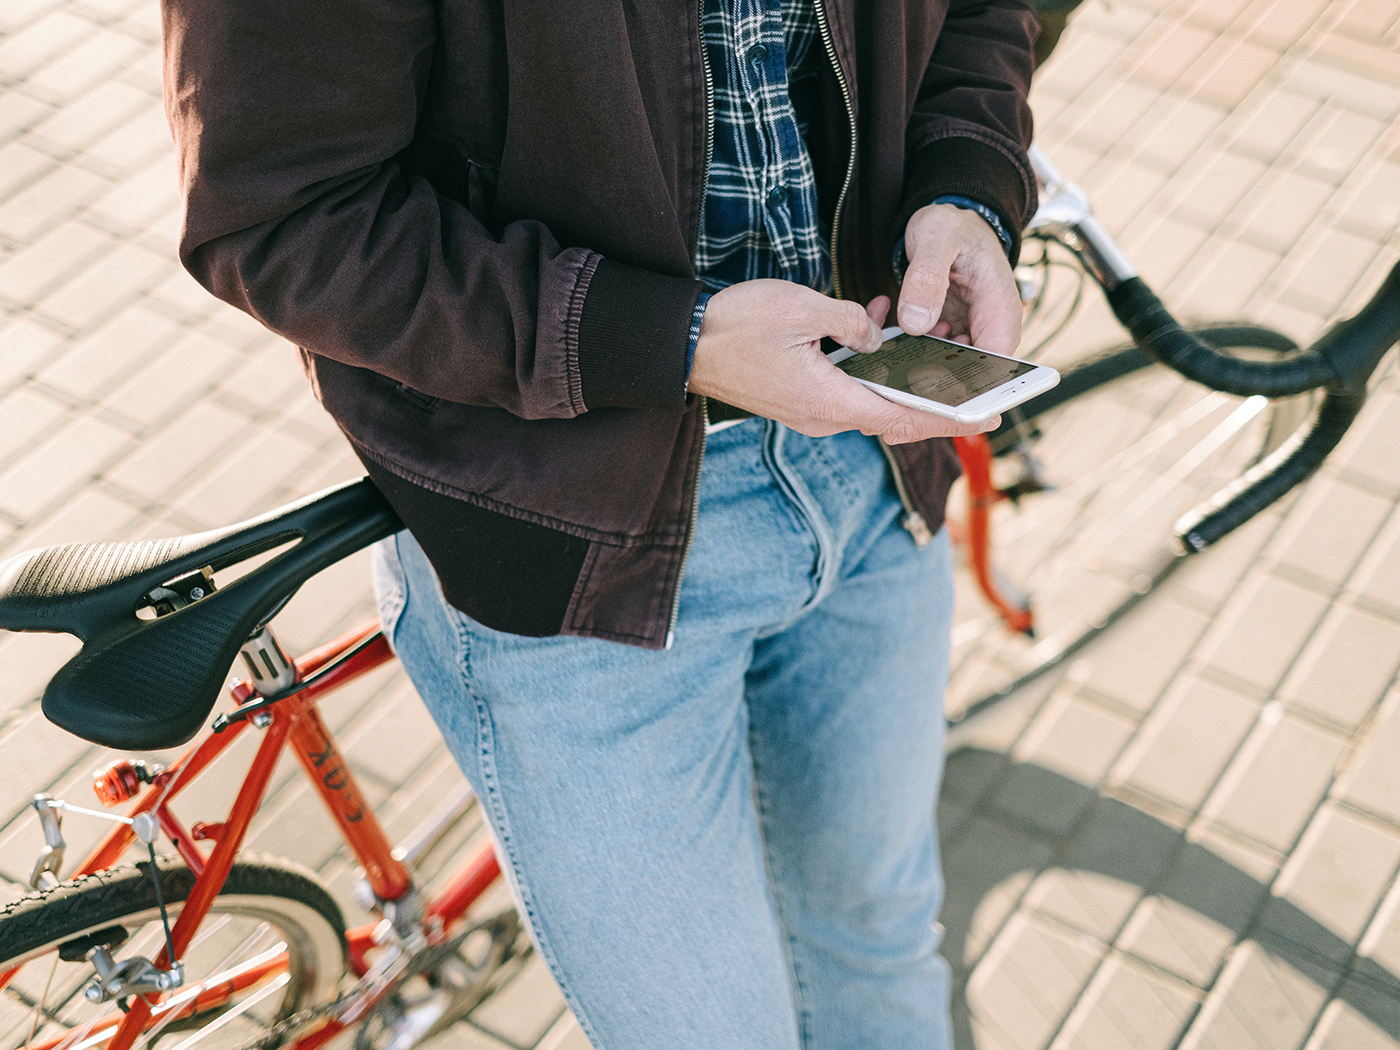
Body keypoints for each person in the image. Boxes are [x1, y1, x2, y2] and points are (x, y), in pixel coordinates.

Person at [163, 0, 1037, 1045]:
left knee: (880, 940)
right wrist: (660, 340)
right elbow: (278, 218)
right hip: (573, 542)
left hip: (872, 469)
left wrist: (966, 189)